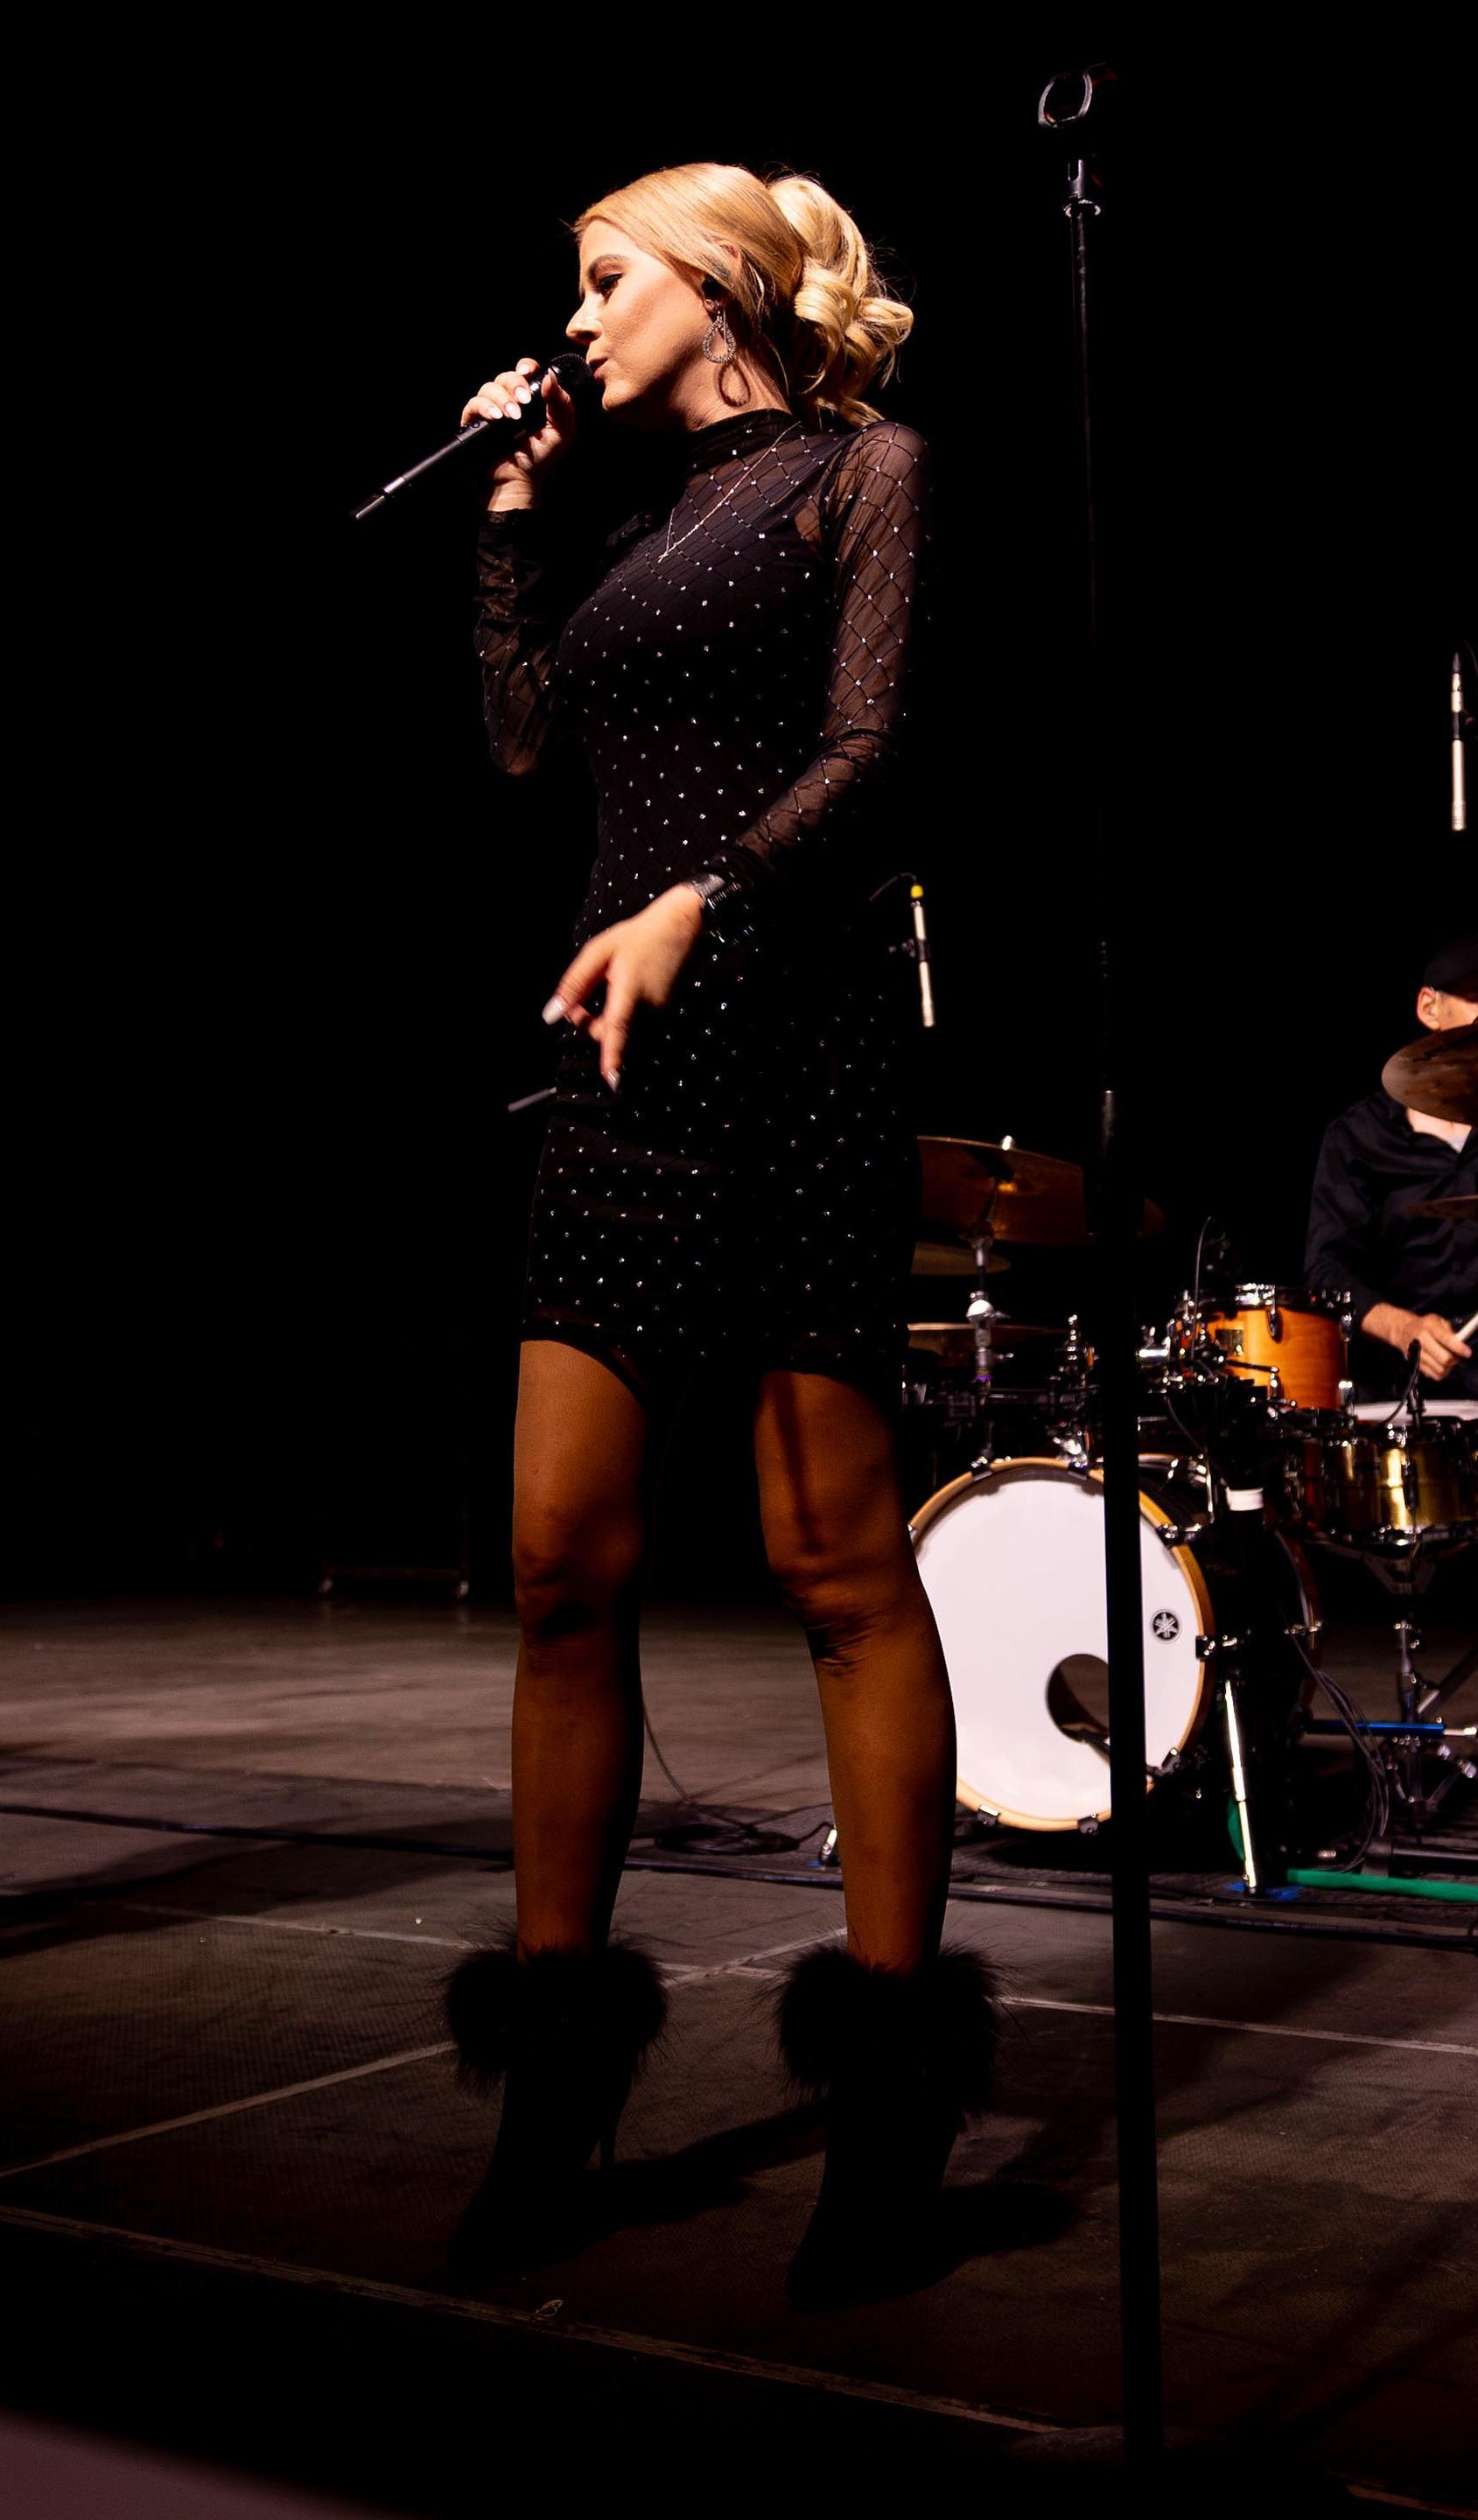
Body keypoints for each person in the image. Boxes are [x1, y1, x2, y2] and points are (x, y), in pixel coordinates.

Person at [442, 163, 994, 2306]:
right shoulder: (625, 519)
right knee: (567, 1563)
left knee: (835, 1563)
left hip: (791, 1045)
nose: (573, 318)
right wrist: (509, 520)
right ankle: (556, 2079)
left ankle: (885, 2098)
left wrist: (700, 903)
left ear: (720, 289)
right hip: (620, 1068)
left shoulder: (867, 473)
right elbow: (518, 749)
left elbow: (882, 748)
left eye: (603, 280)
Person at [1305, 928, 1478, 1518]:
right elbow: (1325, 1269)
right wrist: (1402, 1327)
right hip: (1418, 1385)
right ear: (1429, 1008)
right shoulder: (1359, 1137)